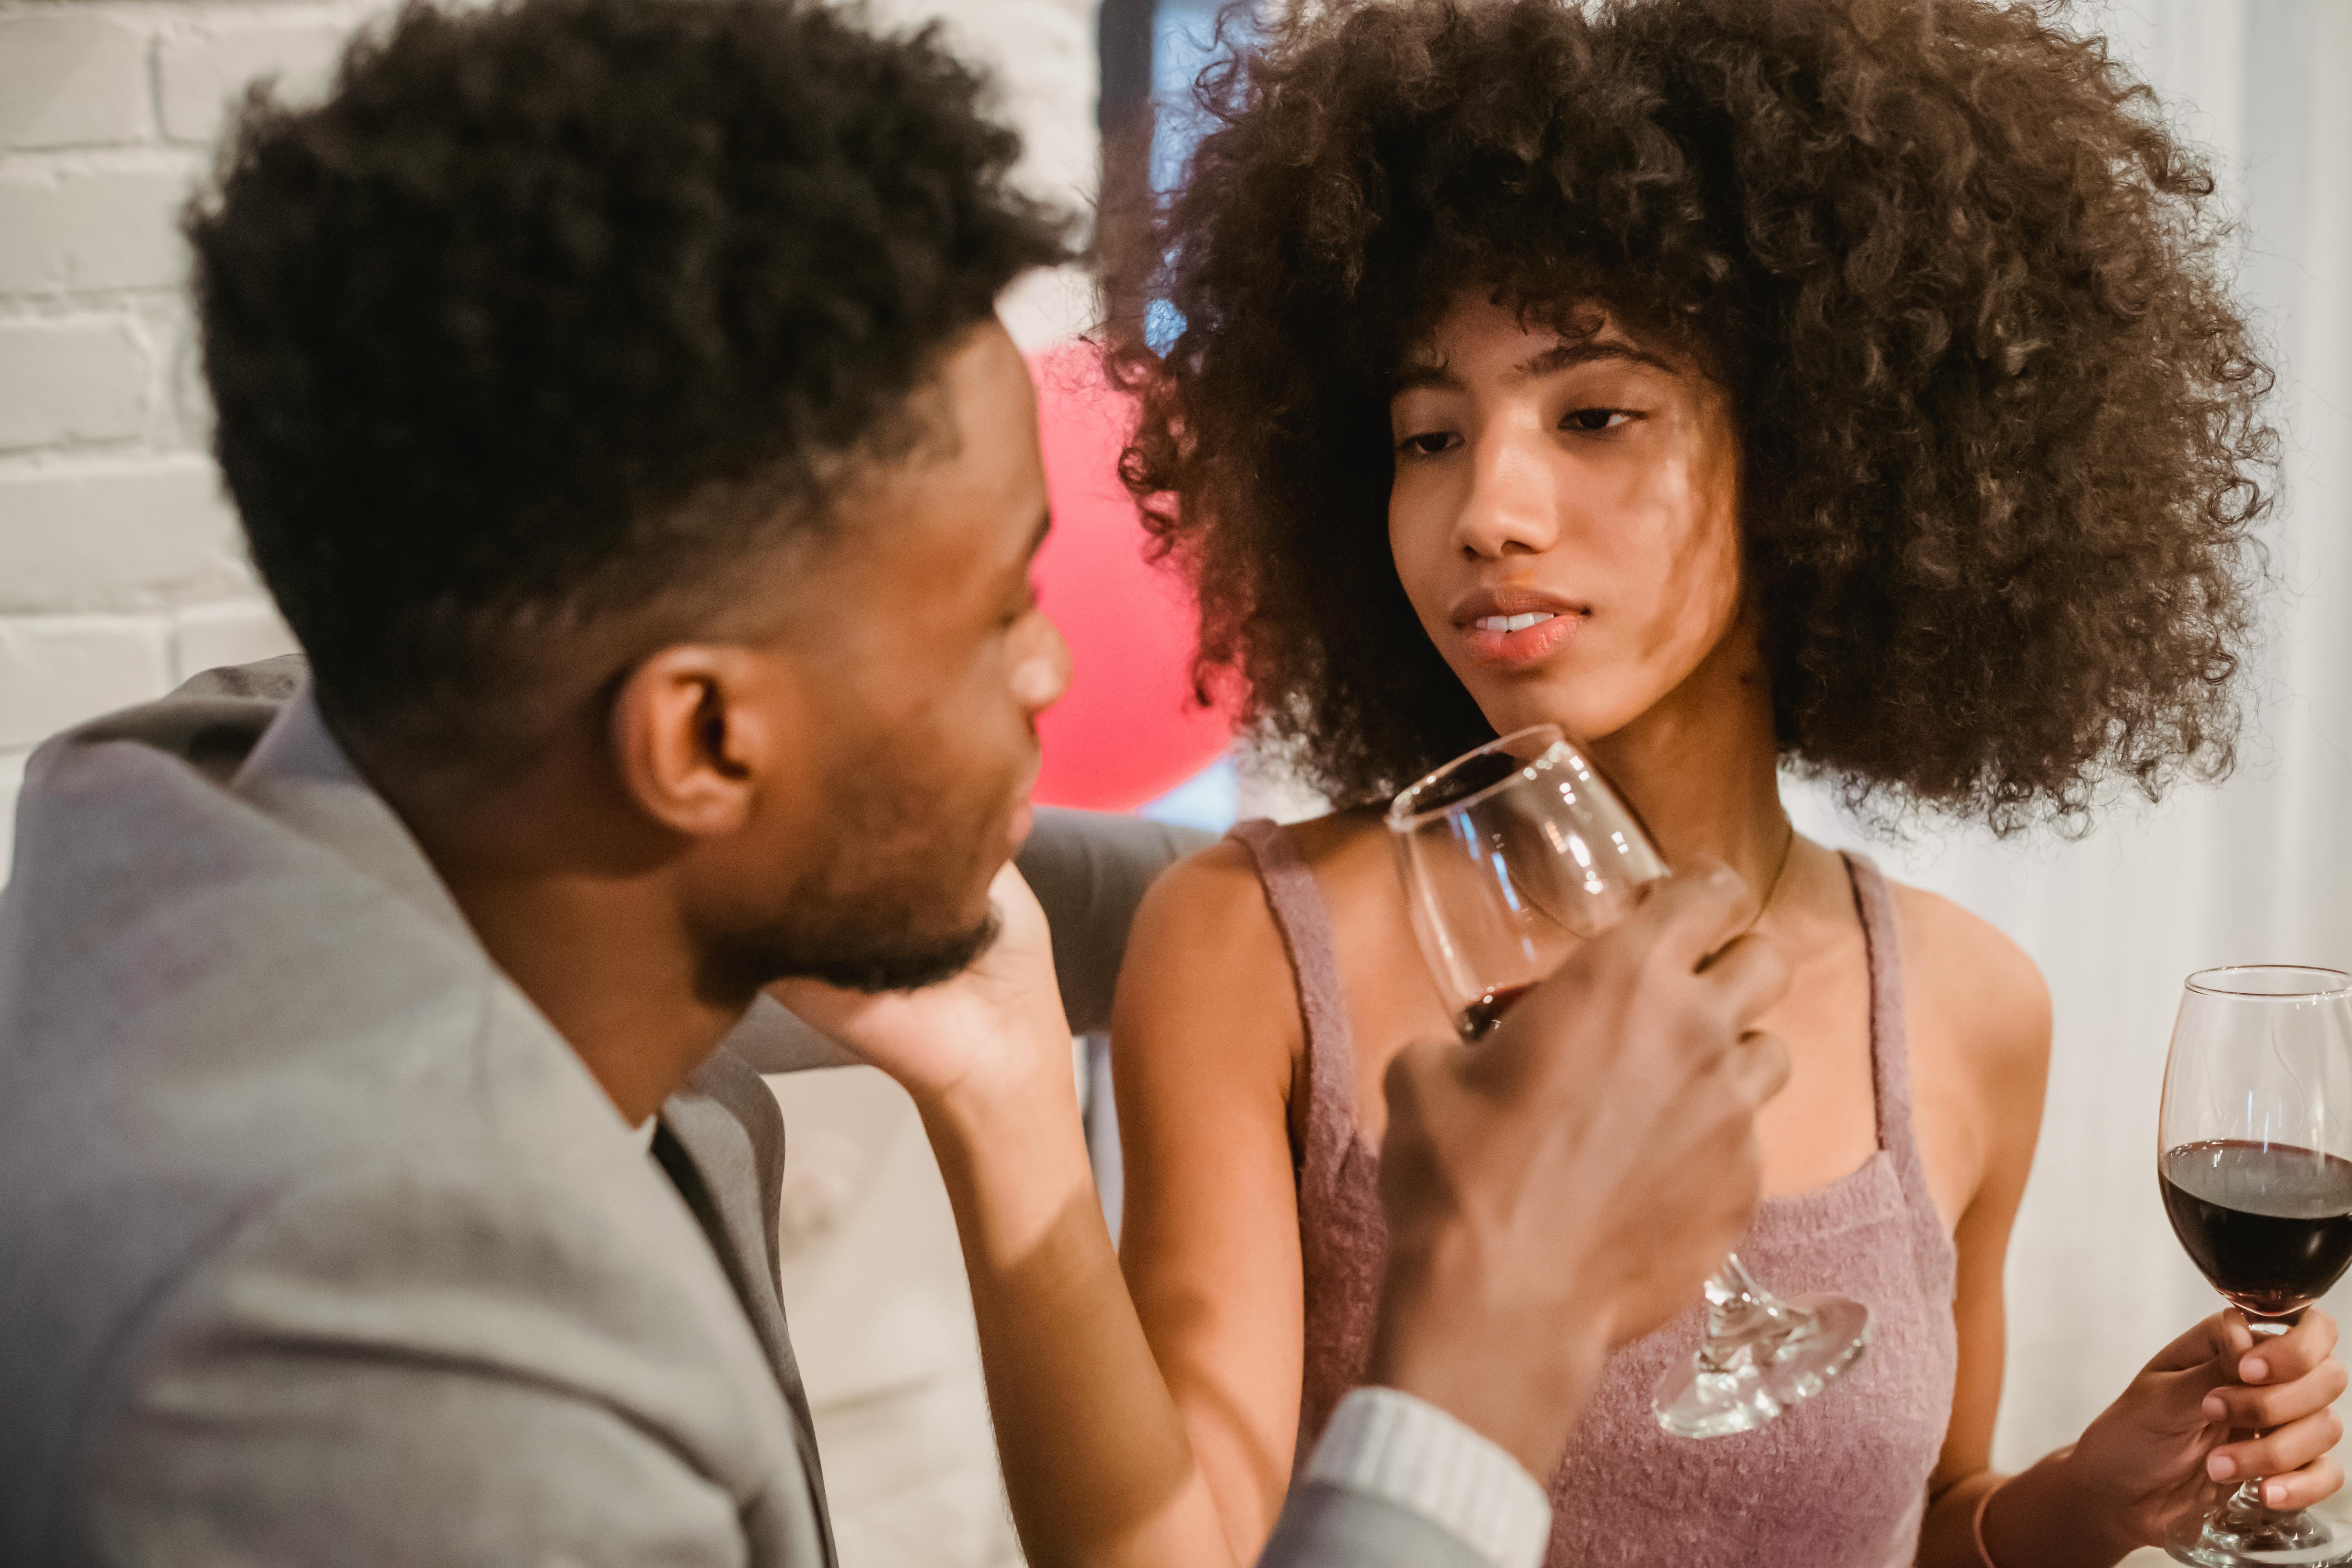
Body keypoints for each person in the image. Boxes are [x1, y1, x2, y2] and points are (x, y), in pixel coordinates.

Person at [0, 2, 1793, 1565]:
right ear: (705, 740)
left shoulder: (241, 788)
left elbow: (1041, 872)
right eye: (994, 607)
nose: (1053, 667)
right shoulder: (372, 1380)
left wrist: (1330, 911)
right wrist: (1492, 1337)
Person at [1089, 2, 2347, 1566]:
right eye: (1427, 433)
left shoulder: (1969, 1012)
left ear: (1820, 455)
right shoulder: (1251, 946)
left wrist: (2069, 1507)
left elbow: (1924, 1526)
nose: (1489, 507)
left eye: (1595, 412)